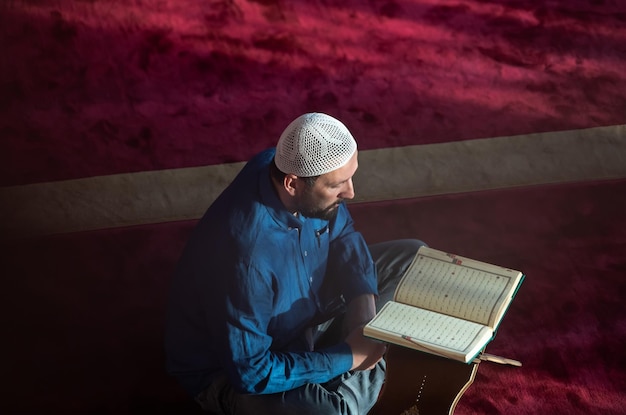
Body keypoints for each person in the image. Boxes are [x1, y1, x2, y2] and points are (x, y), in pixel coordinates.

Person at [165, 113, 425, 415]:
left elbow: (342, 234)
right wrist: (349, 356)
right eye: (338, 185)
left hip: (308, 313)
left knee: (415, 260)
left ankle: (357, 366)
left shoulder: (284, 171)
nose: (351, 192)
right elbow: (252, 372)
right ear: (292, 184)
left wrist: (362, 305)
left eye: (350, 177)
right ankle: (364, 368)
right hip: (238, 370)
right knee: (329, 412)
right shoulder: (247, 261)